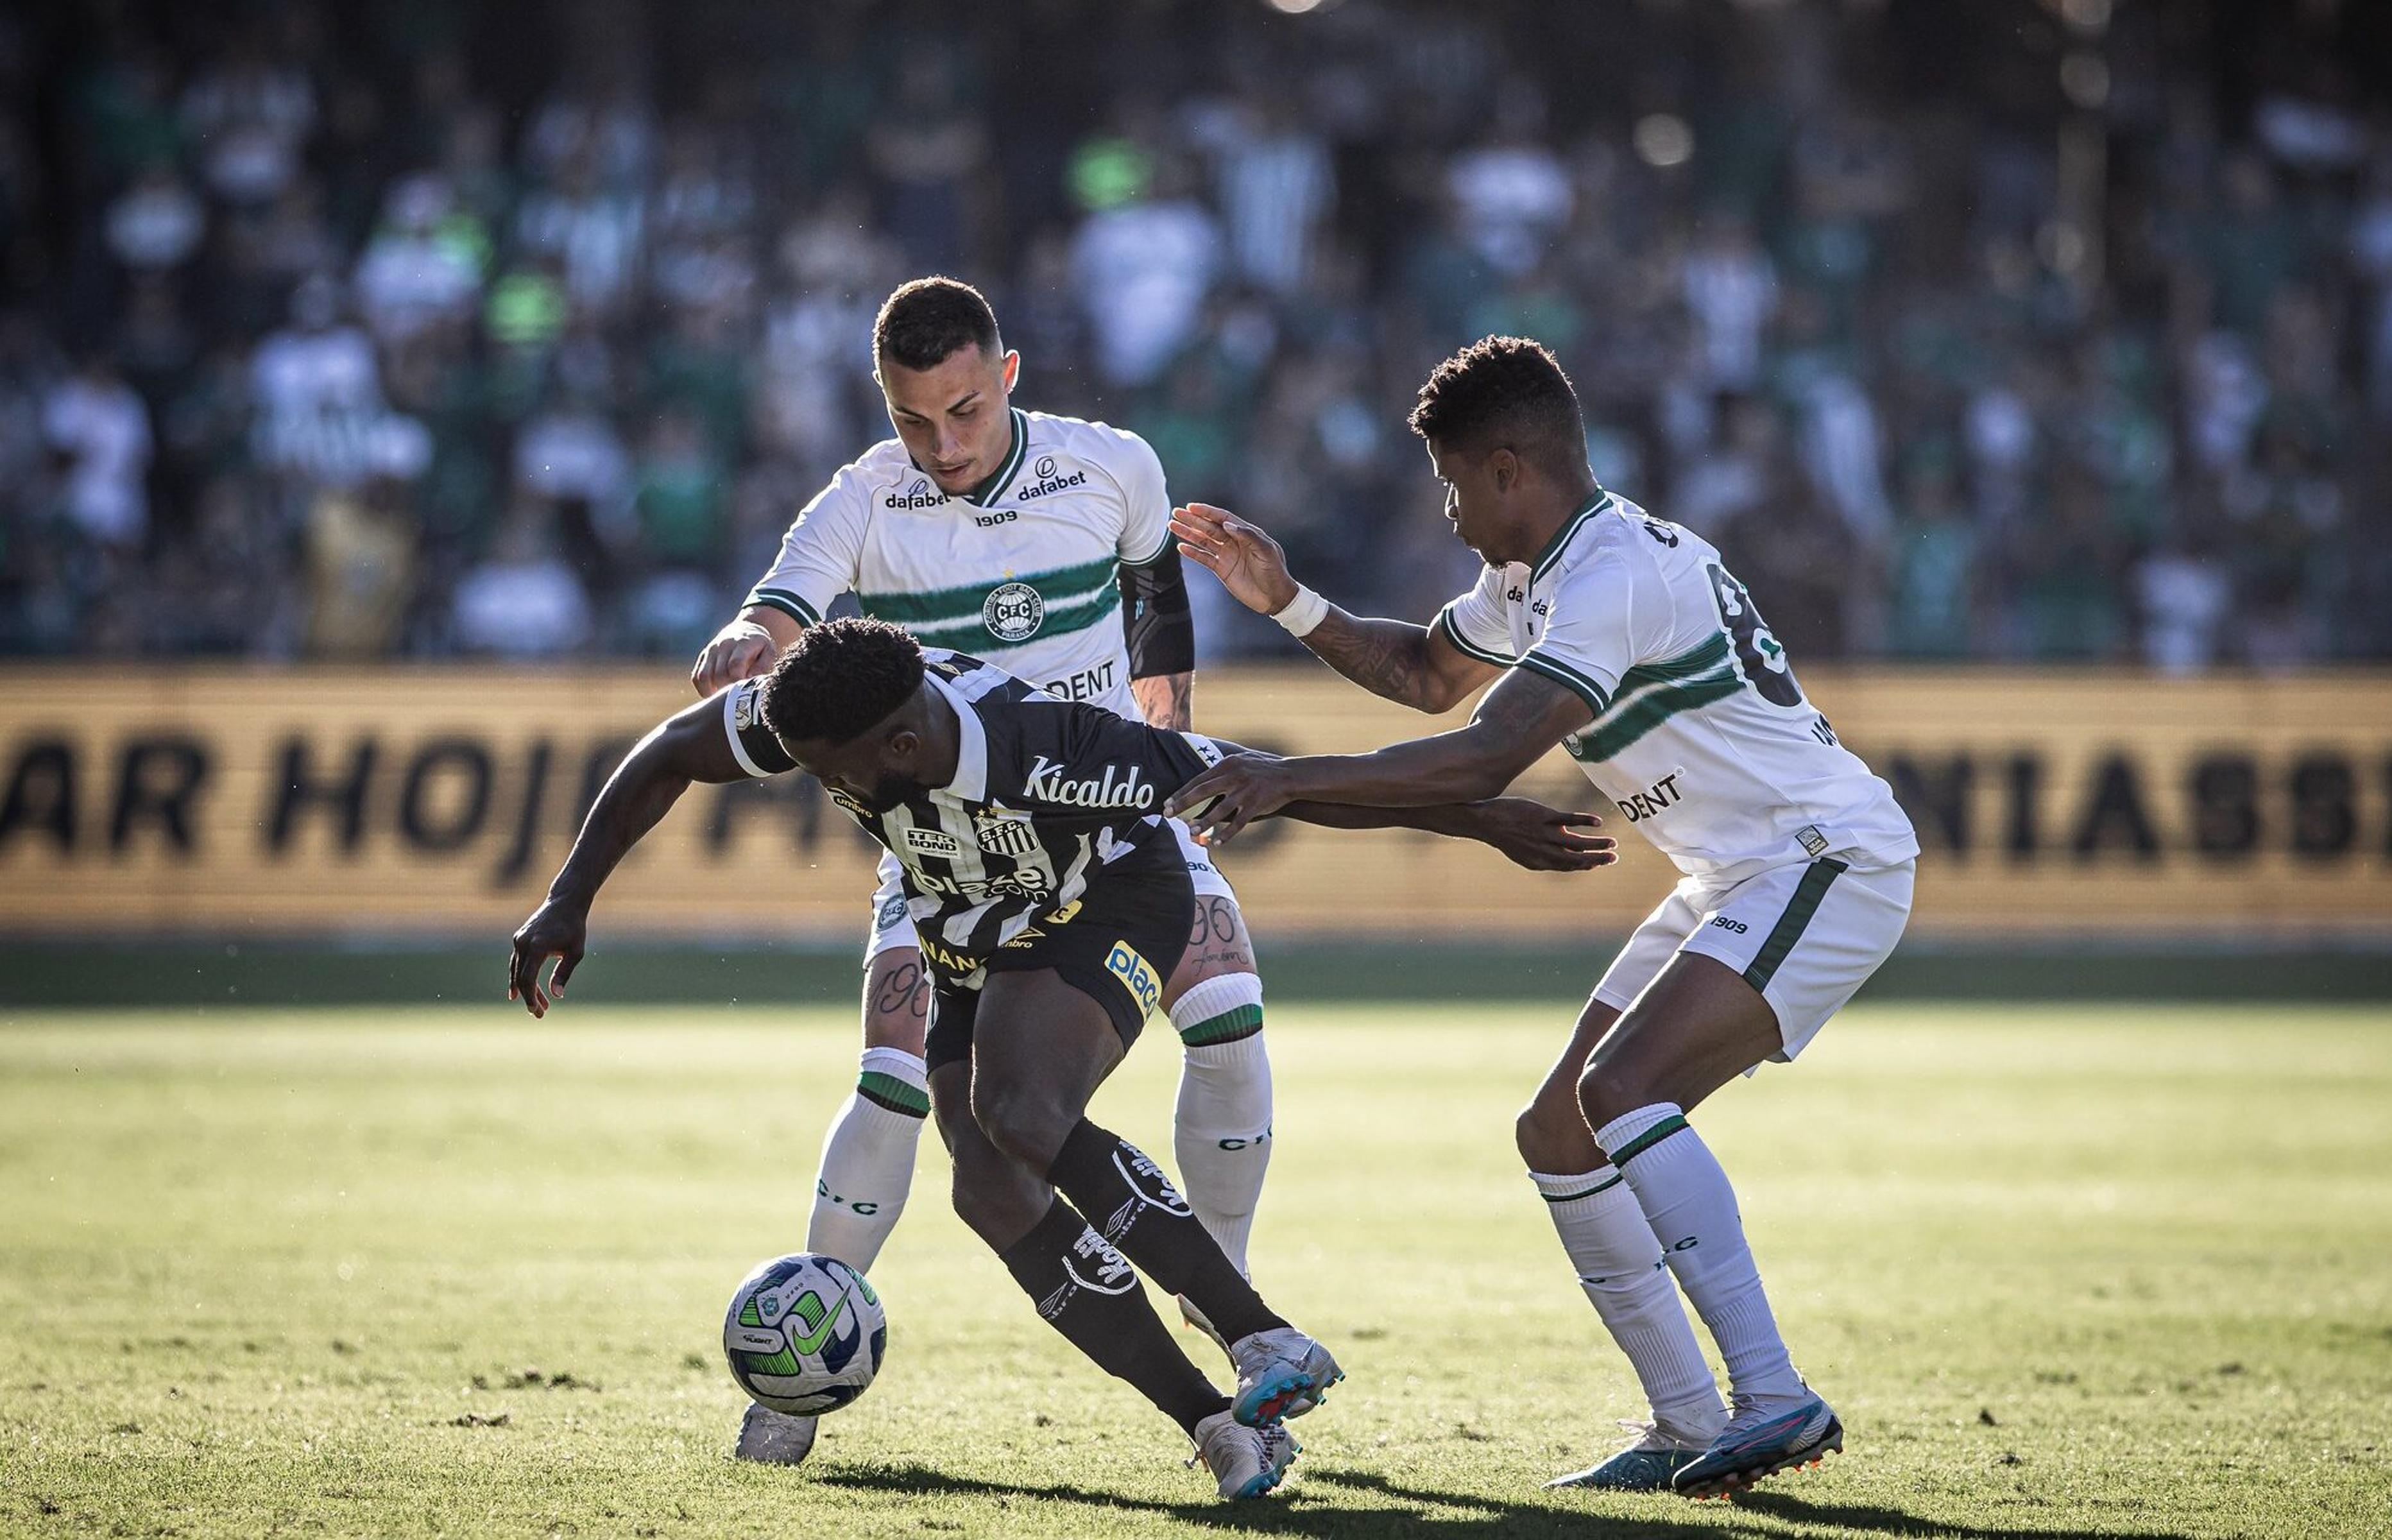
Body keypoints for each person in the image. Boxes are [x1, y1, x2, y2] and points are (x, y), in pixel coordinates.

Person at [508, 619, 1616, 1499]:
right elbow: (669, 750)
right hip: (966, 925)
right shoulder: (824, 707)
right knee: (990, 1189)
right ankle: (1219, 1429)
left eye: (825, 772)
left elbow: (1260, 780)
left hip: (1116, 895)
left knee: (1024, 1115)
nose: (807, 780)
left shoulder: (1050, 747)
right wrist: (567, 900)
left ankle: (1263, 1335)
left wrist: (1478, 819)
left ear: (901, 745)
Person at [1163, 336, 1920, 1499]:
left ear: (1510, 468)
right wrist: (1291, 601)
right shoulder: (1531, 579)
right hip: (1735, 870)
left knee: (1624, 1096)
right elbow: (1425, 674)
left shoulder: (1614, 578)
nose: (1450, 510)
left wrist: (1289, 779)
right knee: (1560, 1132)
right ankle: (1683, 1423)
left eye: (1453, 482)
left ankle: (1774, 1399)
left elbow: (1479, 755)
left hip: (1823, 857)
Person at [690, 277, 1288, 1464]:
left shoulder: (1113, 466)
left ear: (1007, 376)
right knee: (894, 1084)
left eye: (965, 411)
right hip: (948, 841)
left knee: (1228, 1019)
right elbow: (784, 603)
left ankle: (1226, 1305)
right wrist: (751, 641)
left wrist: (1167, 705)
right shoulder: (866, 496)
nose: (944, 445)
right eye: (917, 421)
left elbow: (1152, 589)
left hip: (1105, 812)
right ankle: (791, 1390)